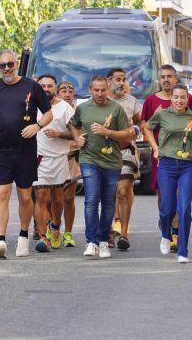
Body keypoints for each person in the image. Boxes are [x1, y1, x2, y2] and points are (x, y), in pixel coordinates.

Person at [0, 49, 53, 259]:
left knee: (25, 196)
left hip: (25, 150)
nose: (7, 69)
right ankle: (1, 240)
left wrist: (37, 126)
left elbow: (48, 113)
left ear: (17, 63)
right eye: (2, 66)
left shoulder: (32, 86)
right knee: (1, 194)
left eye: (10, 64)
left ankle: (23, 235)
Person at [70, 76, 133, 258]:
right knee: (91, 200)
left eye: (103, 90)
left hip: (112, 161)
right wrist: (77, 138)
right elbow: (74, 125)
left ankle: (104, 240)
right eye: (96, 90)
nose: (99, 94)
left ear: (108, 90)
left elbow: (126, 135)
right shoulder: (82, 108)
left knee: (107, 202)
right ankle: (91, 242)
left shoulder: (116, 108)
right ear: (90, 90)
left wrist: (108, 132)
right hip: (89, 159)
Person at [141, 64, 192, 252]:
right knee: (165, 201)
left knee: (182, 204)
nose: (166, 79)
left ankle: (178, 238)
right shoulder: (154, 104)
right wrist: (155, 148)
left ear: (175, 79)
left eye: (169, 76)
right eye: (163, 76)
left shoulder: (191, 107)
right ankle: (166, 227)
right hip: (163, 158)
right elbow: (146, 127)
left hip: (186, 161)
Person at [32, 74, 75, 253]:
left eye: (50, 86)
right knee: (41, 197)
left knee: (58, 200)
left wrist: (58, 134)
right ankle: (43, 237)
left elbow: (75, 134)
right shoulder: (30, 106)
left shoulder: (65, 108)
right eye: (43, 86)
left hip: (59, 158)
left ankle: (56, 226)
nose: (46, 89)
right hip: (38, 158)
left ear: (55, 88)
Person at [106, 68, 142, 251]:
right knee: (109, 194)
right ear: (109, 81)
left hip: (126, 150)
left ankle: (124, 234)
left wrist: (135, 131)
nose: (121, 83)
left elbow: (139, 122)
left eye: (123, 79)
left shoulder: (132, 101)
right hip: (104, 152)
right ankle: (110, 230)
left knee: (122, 191)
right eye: (117, 79)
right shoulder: (102, 100)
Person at [57, 80, 80, 247]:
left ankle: (68, 233)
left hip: (72, 157)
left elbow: (81, 133)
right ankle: (54, 229)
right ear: (58, 94)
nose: (67, 93)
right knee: (54, 198)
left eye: (70, 90)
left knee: (69, 198)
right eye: (63, 90)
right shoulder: (52, 110)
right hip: (55, 157)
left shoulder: (79, 112)